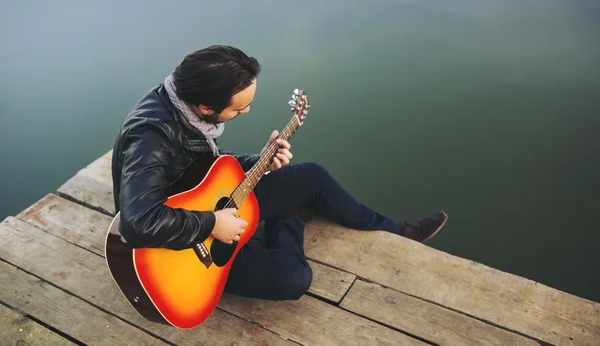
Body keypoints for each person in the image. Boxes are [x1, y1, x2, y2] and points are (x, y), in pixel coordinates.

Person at [111, 45, 448, 301]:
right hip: (179, 255)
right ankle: (290, 218)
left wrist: (256, 161)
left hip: (203, 203)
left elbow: (200, 169)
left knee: (311, 176)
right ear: (205, 107)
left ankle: (397, 230)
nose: (247, 111)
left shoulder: (187, 102)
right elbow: (138, 224)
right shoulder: (151, 137)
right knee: (294, 278)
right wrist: (213, 223)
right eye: (239, 108)